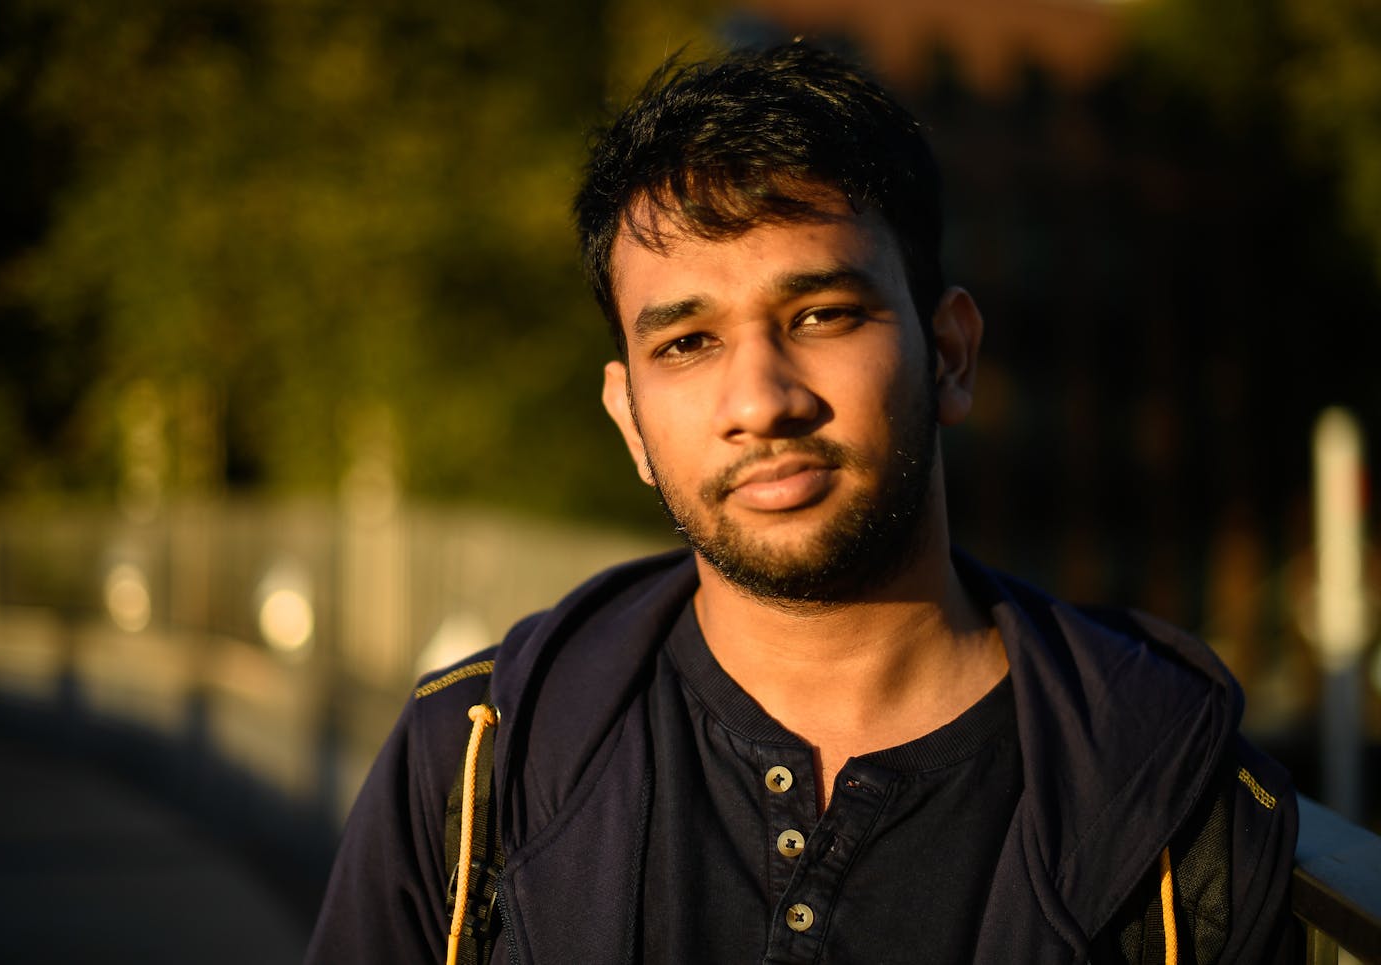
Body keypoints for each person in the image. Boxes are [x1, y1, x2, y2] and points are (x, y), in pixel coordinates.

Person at [304, 43, 1298, 965]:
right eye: (685, 342)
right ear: (629, 421)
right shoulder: (480, 755)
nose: (760, 401)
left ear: (947, 354)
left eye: (820, 314)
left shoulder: (1173, 798)